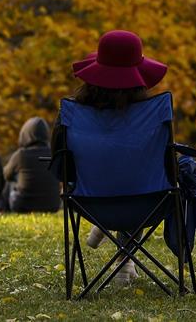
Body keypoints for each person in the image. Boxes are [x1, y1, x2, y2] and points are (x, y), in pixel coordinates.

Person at [63, 30, 169, 286]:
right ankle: (125, 261)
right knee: (142, 180)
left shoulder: (74, 116)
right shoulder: (150, 119)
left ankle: (105, 229)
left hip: (90, 203)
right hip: (148, 204)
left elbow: (61, 167)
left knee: (130, 179)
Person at [1, 117, 60, 213]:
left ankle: (3, 210)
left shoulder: (21, 155)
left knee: (11, 179)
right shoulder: (54, 154)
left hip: (23, 206)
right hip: (52, 206)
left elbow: (5, 175)